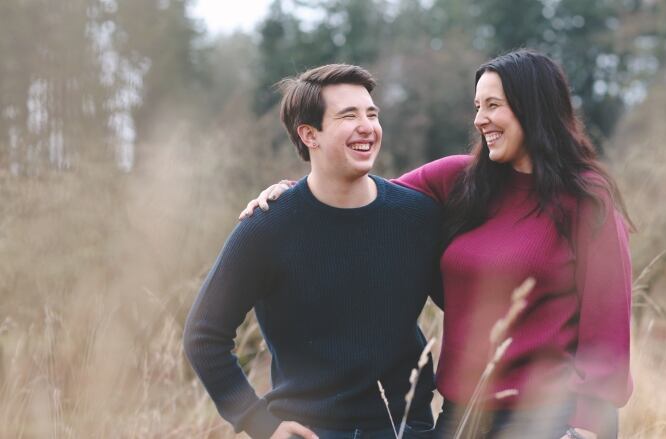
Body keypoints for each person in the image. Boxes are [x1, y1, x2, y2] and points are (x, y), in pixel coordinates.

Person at [240, 49, 634, 439]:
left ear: (533, 108)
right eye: (477, 105)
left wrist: (585, 429)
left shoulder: (586, 199)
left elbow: (607, 327)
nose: (480, 120)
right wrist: (292, 194)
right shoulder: (458, 179)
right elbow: (359, 200)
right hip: (461, 417)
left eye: (493, 105)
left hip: (551, 420)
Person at [183, 64, 442, 439]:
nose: (367, 126)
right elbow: (203, 334)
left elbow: (473, 311)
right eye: (348, 115)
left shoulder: (417, 217)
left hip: (404, 429)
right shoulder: (267, 226)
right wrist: (260, 423)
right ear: (309, 134)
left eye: (372, 114)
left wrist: (444, 423)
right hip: (307, 431)